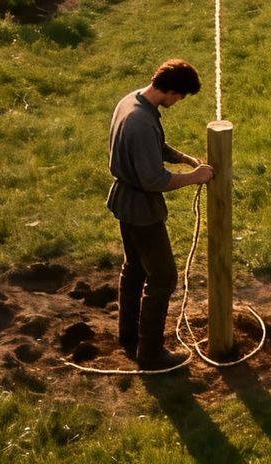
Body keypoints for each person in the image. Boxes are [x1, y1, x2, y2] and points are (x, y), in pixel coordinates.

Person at [107, 58, 214, 371]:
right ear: (169, 90)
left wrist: (181, 158)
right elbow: (154, 180)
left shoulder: (132, 101)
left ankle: (128, 336)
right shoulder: (140, 122)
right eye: (180, 96)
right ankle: (151, 353)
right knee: (163, 277)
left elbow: (155, 146)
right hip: (141, 209)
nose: (179, 102)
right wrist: (195, 177)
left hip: (124, 202)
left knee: (135, 268)